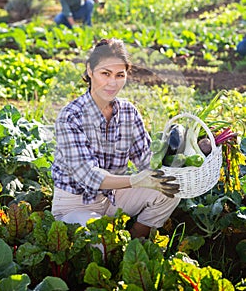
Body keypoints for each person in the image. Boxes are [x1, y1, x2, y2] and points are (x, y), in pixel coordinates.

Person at [51, 38, 180, 239]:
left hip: (113, 199)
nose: (113, 82)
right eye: (105, 73)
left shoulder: (129, 112)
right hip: (75, 204)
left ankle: (137, 239)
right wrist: (137, 180)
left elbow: (147, 160)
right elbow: (89, 176)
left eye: (120, 75)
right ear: (90, 71)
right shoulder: (71, 116)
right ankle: (112, 248)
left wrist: (183, 154)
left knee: (169, 190)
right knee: (98, 236)